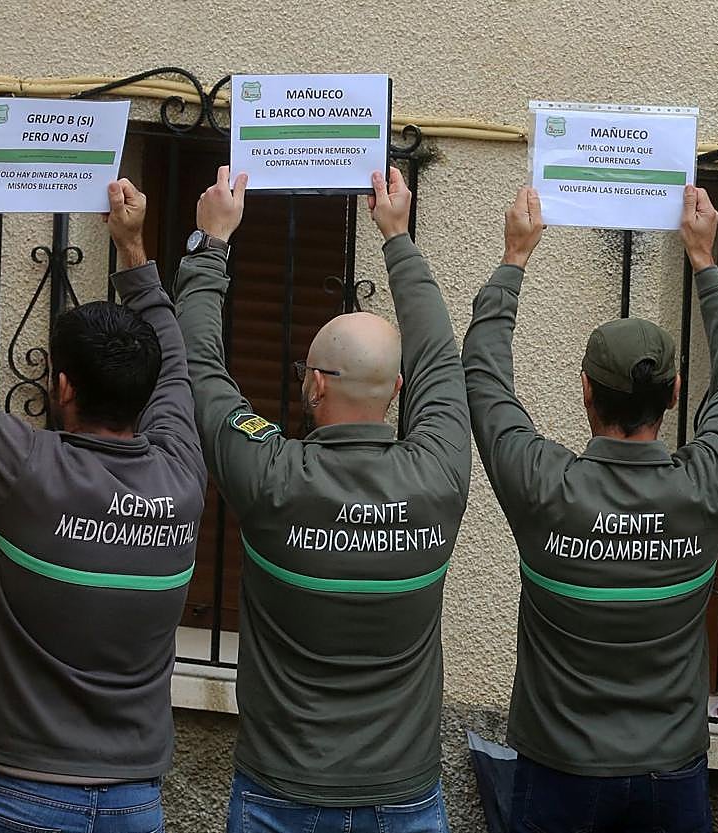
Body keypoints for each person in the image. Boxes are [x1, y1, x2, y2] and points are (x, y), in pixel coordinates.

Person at [174, 166, 469, 833]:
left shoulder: (270, 475)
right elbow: (443, 363)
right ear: (397, 391)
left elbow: (198, 367)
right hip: (404, 799)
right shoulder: (439, 475)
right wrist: (398, 237)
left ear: (312, 387)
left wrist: (210, 240)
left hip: (281, 795)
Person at [462, 185, 718, 833]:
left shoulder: (545, 486)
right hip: (673, 775)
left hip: (558, 773)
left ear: (585, 391)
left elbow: (483, 378)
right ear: (676, 392)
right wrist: (704, 260)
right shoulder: (703, 484)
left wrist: (514, 258)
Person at [0, 160, 207, 832]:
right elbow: (174, 372)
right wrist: (134, 249)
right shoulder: (180, 478)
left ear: (63, 387)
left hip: (14, 794)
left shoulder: (25, 470)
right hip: (135, 800)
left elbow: (171, 373)